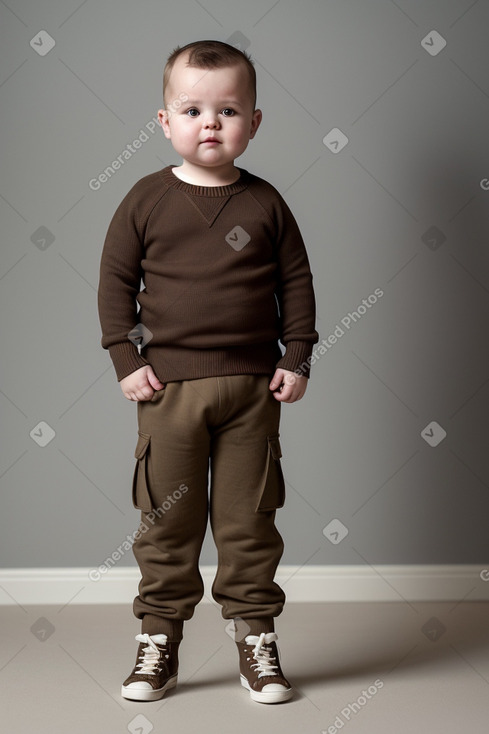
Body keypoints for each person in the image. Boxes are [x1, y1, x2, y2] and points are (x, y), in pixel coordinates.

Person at [98, 39, 318, 705]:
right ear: (165, 122)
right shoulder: (145, 199)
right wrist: (125, 360)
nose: (210, 123)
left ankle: (255, 637)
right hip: (168, 393)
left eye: (227, 110)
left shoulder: (266, 203)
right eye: (192, 109)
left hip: (254, 392)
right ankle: (158, 640)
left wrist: (296, 356)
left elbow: (296, 283)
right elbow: (115, 283)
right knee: (166, 521)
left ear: (253, 123)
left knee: (250, 521)